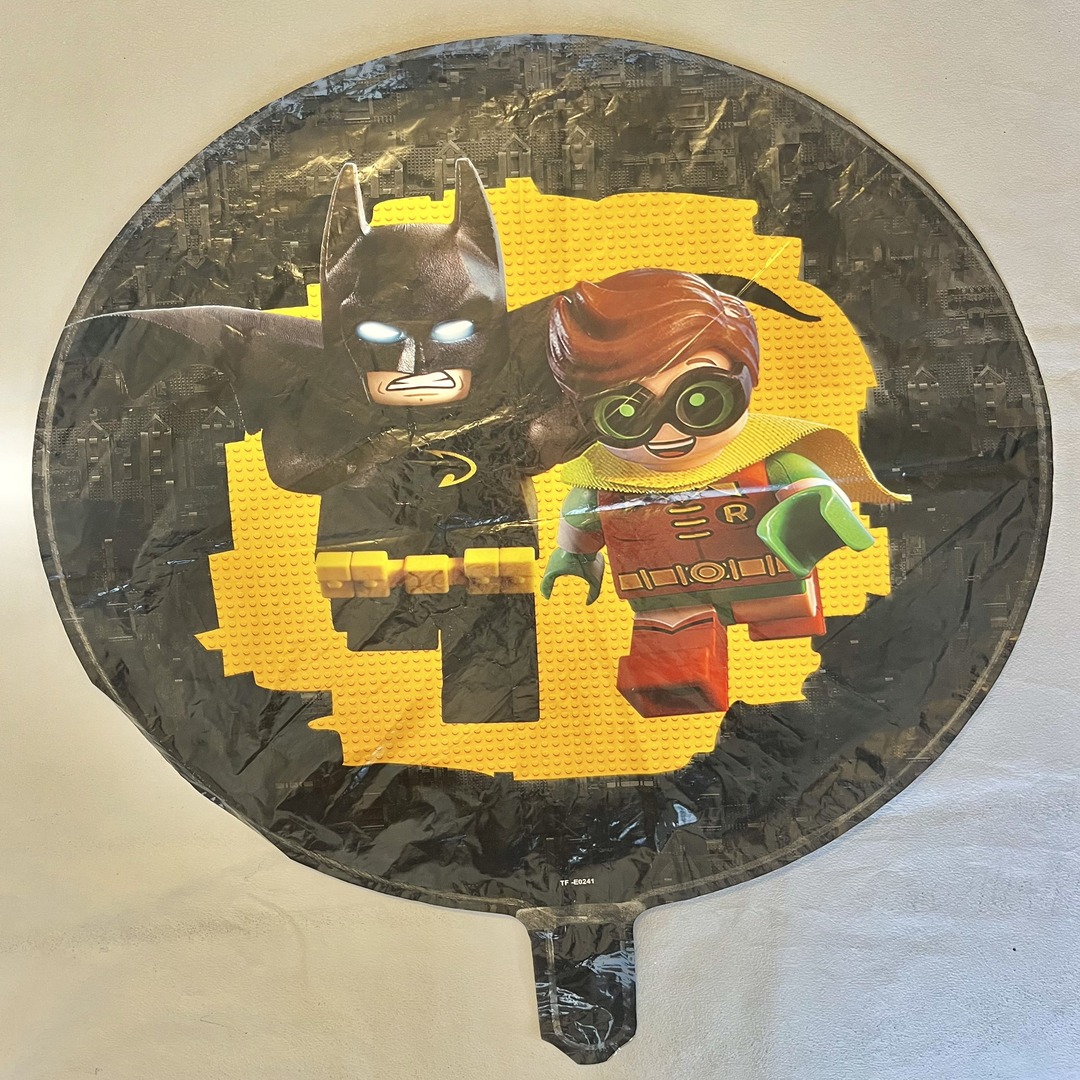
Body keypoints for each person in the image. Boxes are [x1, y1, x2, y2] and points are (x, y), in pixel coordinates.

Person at [540, 268, 906, 718]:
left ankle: (783, 622)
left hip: (765, 574)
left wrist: (815, 509)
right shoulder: (605, 482)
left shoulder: (764, 458)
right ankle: (678, 690)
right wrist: (574, 557)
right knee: (671, 656)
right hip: (668, 593)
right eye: (625, 412)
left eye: (699, 399)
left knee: (783, 607)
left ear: (744, 380)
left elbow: (814, 488)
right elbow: (581, 517)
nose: (666, 429)